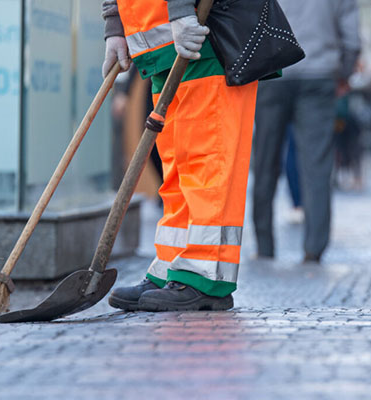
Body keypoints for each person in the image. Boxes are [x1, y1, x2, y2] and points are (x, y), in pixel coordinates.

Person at [101, 0, 259, 311]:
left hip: (204, 34)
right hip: (163, 42)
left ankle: (204, 274)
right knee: (177, 167)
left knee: (206, 161)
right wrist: (115, 25)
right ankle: (172, 264)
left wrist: (181, 10)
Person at [252, 0, 361, 262]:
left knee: (265, 160)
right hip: (319, 73)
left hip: (272, 71)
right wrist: (344, 73)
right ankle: (314, 248)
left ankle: (265, 246)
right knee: (317, 164)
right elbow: (353, 38)